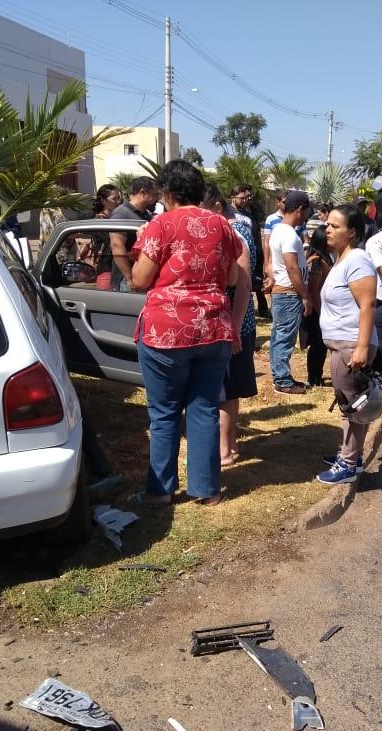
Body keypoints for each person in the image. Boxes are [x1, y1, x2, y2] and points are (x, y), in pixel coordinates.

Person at [130, 160, 247, 507]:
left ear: (167, 193)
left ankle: (161, 491)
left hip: (166, 333)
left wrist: (140, 245)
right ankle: (207, 489)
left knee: (164, 412)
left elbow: (139, 280)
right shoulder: (222, 226)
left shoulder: (160, 225)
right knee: (204, 409)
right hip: (213, 329)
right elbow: (229, 280)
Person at [317, 204, 379, 484]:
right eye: (328, 224)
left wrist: (362, 348)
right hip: (342, 344)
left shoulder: (357, 260)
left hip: (352, 345)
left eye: (335, 226)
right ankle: (348, 453)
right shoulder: (342, 259)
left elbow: (367, 305)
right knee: (348, 404)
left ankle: (349, 465)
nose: (327, 229)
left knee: (355, 406)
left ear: (351, 232)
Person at [202, 184, 258, 465]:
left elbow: (243, 285)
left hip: (234, 322)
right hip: (235, 322)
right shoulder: (233, 229)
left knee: (225, 390)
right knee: (230, 389)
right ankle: (231, 443)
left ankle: (224, 448)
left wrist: (234, 328)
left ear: (216, 207)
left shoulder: (232, 233)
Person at [268, 190, 312, 394]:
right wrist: (304, 295)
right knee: (285, 337)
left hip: (284, 292)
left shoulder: (278, 229)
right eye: (306, 211)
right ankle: (283, 380)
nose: (306, 216)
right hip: (289, 293)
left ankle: (281, 375)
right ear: (300, 209)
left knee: (280, 335)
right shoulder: (288, 234)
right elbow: (292, 267)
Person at [110, 176, 160, 291]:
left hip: (142, 277)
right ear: (143, 192)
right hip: (126, 282)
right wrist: (129, 279)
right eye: (155, 194)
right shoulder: (121, 214)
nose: (157, 199)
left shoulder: (146, 215)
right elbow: (116, 246)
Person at [230, 183, 270, 319]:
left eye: (248, 197)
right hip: (238, 256)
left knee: (255, 284)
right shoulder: (229, 213)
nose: (246, 200)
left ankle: (258, 310)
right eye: (242, 198)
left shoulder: (249, 214)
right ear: (233, 197)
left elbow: (256, 233)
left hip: (254, 254)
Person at [303, 225, 333, 387]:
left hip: (322, 308)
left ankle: (317, 376)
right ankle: (313, 377)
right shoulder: (317, 261)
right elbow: (314, 290)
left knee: (321, 346)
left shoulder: (325, 257)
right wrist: (321, 312)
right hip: (318, 310)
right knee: (317, 345)